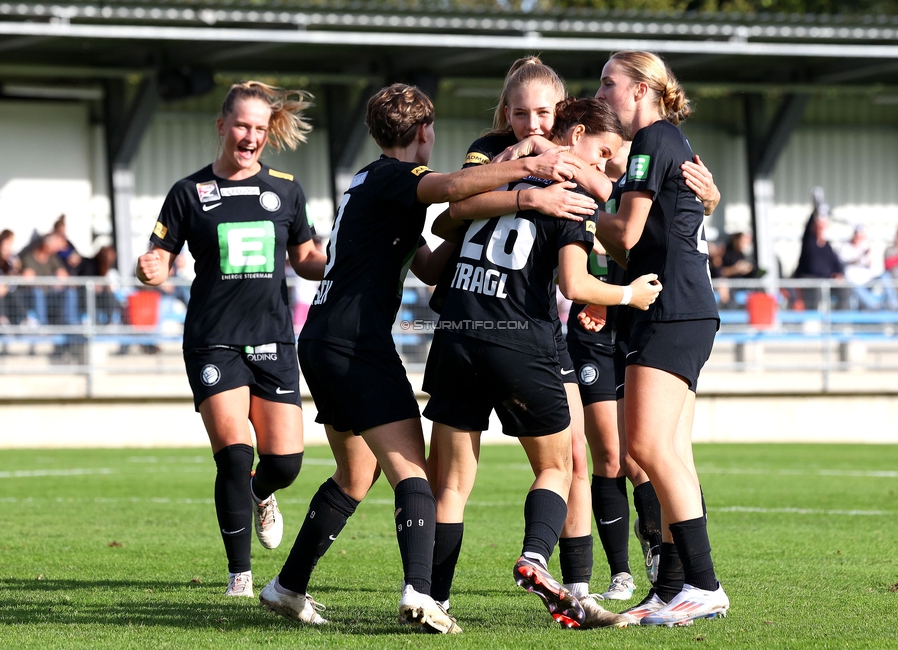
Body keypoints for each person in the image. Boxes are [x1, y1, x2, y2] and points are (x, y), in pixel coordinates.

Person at [259, 83, 582, 634]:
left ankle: (286, 587)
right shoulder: (396, 177)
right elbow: (454, 186)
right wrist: (530, 181)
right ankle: (420, 593)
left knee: (354, 474)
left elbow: (430, 268)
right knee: (415, 472)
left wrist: (469, 225)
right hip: (356, 343)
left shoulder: (366, 180)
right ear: (423, 132)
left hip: (321, 338)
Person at [425, 97, 662, 630]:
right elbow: (575, 284)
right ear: (575, 135)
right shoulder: (570, 192)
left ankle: (431, 598)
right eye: (601, 153)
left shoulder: (489, 170)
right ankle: (536, 558)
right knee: (561, 465)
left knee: (453, 485)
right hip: (520, 338)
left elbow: (450, 216)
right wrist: (629, 296)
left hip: (457, 331)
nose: (602, 166)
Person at [135, 80, 327, 598]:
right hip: (212, 340)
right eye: (242, 125)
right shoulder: (188, 192)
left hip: (273, 339)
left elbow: (306, 259)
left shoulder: (286, 188)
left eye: (260, 128)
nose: (251, 137)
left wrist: (345, 257)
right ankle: (239, 578)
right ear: (222, 126)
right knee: (235, 453)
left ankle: (262, 495)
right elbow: (159, 256)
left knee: (284, 463)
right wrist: (150, 266)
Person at [592, 50, 729, 627]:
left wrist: (577, 201)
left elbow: (624, 234)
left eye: (609, 84)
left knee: (643, 451)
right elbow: (665, 226)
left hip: (673, 310)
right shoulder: (666, 143)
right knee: (671, 452)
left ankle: (704, 584)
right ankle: (673, 587)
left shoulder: (653, 139)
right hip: (679, 310)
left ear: (643, 89)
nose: (600, 95)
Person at [793, 201, 843, 310]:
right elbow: (807, 229)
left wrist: (839, 274)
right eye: (818, 227)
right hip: (809, 278)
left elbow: (836, 264)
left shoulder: (827, 246)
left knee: (844, 289)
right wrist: (815, 210)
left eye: (822, 227)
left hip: (825, 280)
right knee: (817, 289)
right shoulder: (809, 242)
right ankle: (813, 317)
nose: (820, 229)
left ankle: (842, 319)